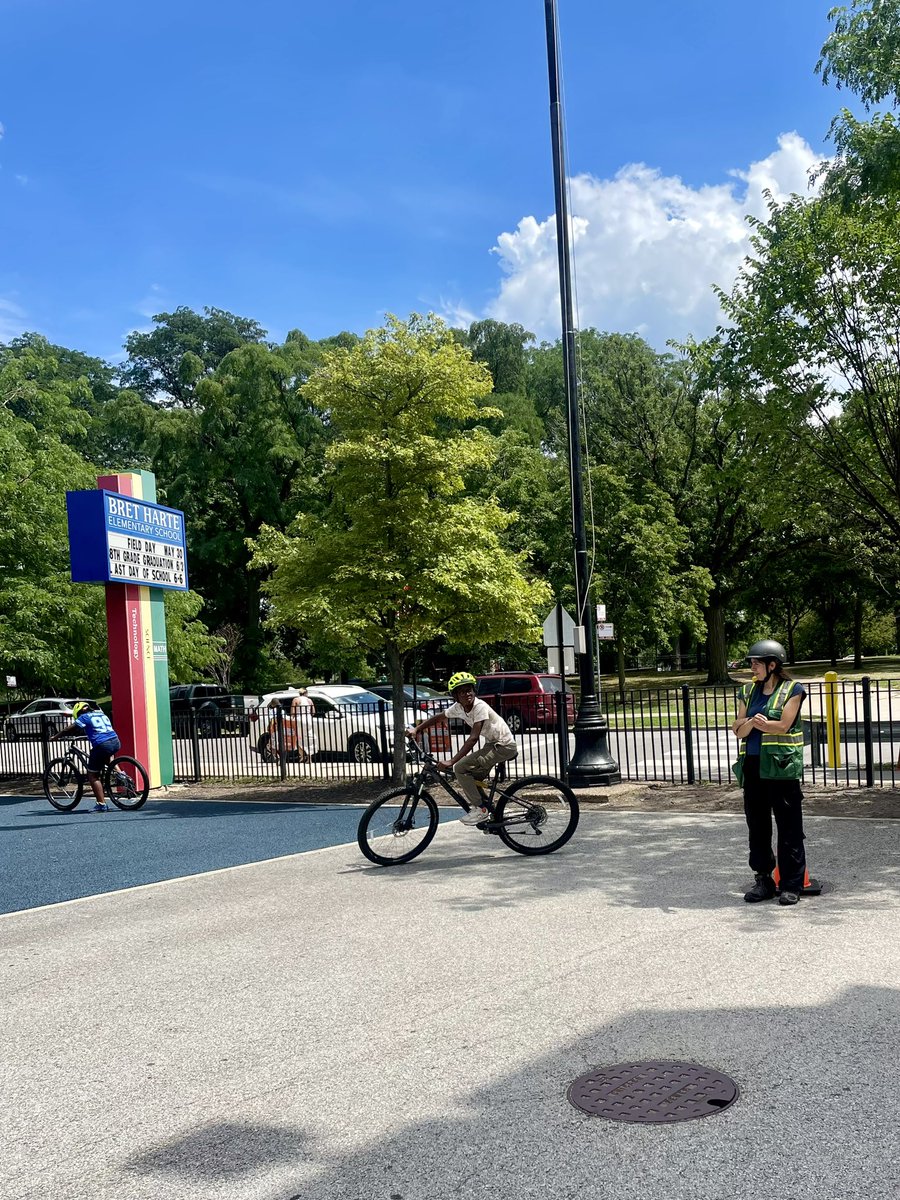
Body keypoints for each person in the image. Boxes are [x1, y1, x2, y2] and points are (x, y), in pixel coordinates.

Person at [731, 640, 808, 906]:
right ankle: (763, 880)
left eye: (757, 663)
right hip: (753, 767)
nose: (752, 667)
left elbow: (784, 725)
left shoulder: (793, 689)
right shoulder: (747, 691)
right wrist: (751, 723)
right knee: (757, 827)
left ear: (772, 665)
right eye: (752, 663)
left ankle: (791, 884)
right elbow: (737, 729)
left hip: (781, 766)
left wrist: (754, 725)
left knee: (789, 827)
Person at [406, 671, 518, 827]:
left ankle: (481, 809)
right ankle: (490, 810)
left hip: (503, 746)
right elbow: (439, 717)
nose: (467, 694)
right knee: (470, 778)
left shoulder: (479, 707)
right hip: (492, 744)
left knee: (460, 768)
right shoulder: (459, 707)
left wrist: (451, 761)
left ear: (474, 691)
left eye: (469, 690)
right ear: (456, 696)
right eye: (462, 692)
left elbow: (473, 738)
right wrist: (417, 729)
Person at [51, 700, 121, 813]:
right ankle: (121, 775)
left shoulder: (85, 717)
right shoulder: (101, 714)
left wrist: (56, 737)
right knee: (105, 756)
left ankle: (101, 804)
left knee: (93, 775)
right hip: (115, 741)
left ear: (79, 712)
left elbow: (68, 729)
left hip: (102, 744)